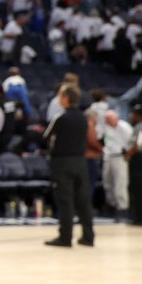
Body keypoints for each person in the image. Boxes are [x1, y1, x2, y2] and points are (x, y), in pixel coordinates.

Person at [43, 83, 95, 247]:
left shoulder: (61, 117)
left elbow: (46, 136)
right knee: (83, 200)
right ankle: (88, 236)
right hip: (81, 162)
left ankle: (65, 237)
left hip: (62, 162)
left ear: (65, 99)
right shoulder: (83, 118)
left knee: (65, 200)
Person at [100, 109, 133, 221]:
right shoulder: (105, 127)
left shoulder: (125, 127)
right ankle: (111, 204)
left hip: (120, 157)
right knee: (107, 183)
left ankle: (122, 208)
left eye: (109, 119)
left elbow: (132, 142)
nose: (107, 121)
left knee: (120, 183)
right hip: (108, 157)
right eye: (106, 119)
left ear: (115, 118)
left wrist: (127, 154)